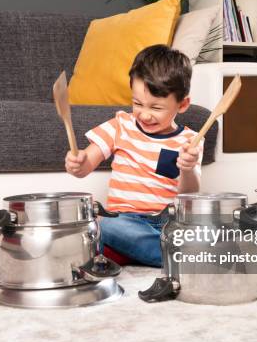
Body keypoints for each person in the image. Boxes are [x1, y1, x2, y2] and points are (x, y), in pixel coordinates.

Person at [64, 44, 203, 267]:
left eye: (157, 108)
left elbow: (189, 194)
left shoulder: (191, 140)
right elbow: (85, 165)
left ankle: (141, 251)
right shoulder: (120, 125)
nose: (145, 115)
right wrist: (77, 163)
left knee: (205, 224)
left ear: (183, 104)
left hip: (169, 221)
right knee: (101, 224)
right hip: (123, 220)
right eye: (137, 103)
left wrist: (187, 168)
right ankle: (179, 256)